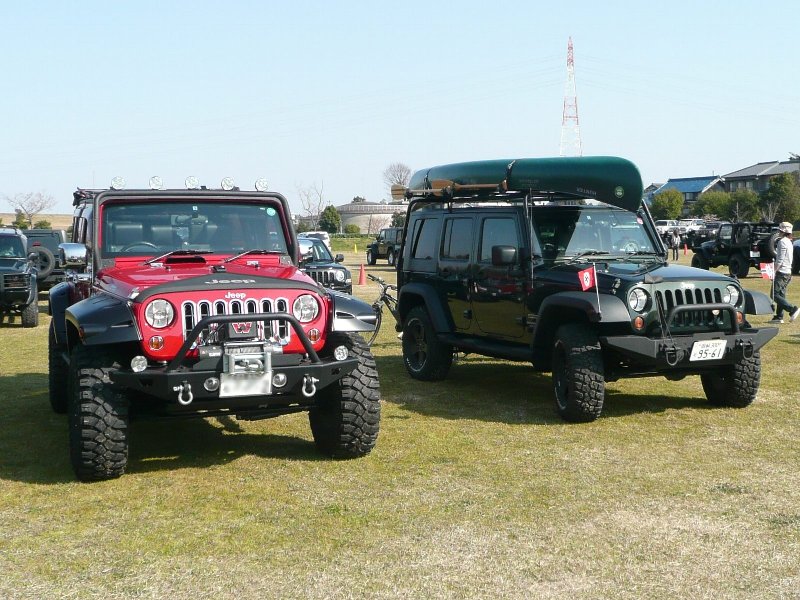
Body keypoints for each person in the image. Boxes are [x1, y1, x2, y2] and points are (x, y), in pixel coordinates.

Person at [770, 221, 800, 324]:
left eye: (780, 230)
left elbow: (780, 259)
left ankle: (792, 309)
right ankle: (779, 317)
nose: (778, 232)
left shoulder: (782, 242)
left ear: (783, 231)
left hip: (782, 272)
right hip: (788, 271)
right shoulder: (789, 241)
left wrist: (774, 270)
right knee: (781, 295)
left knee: (774, 294)